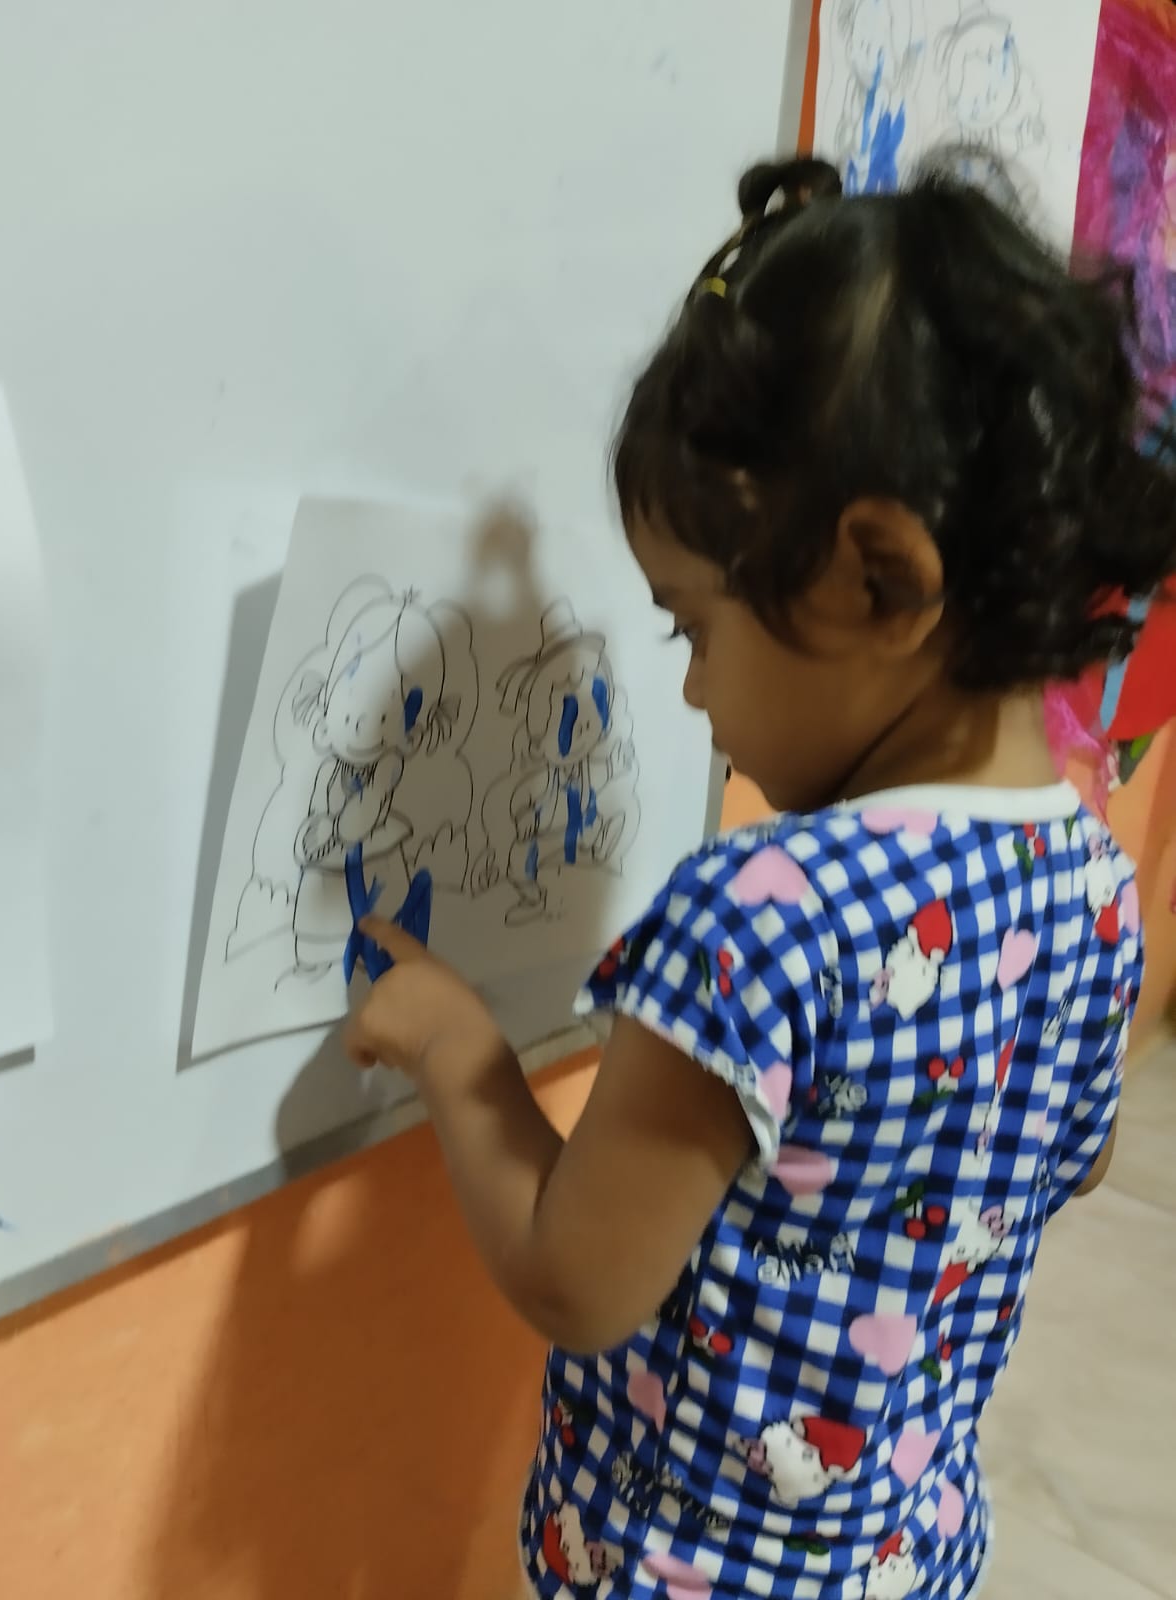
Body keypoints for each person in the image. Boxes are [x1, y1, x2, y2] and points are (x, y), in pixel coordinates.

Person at [343, 155, 1175, 1599]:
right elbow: (1077, 1159)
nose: (690, 694)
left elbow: (577, 1279)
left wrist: (458, 1049)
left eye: (694, 629)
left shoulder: (762, 918)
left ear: (878, 580)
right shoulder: (1093, 880)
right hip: (904, 1557)